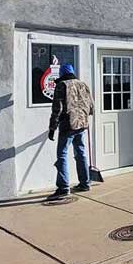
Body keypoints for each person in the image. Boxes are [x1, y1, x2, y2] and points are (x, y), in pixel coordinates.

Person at [47, 63, 94, 200]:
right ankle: (85, 183)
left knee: (62, 154)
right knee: (81, 153)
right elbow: (91, 108)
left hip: (68, 125)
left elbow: (57, 110)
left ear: (62, 73)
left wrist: (52, 128)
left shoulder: (62, 85)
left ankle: (63, 188)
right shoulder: (83, 85)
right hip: (82, 124)